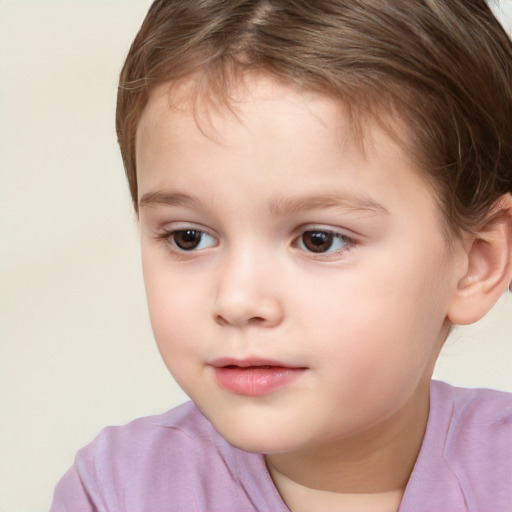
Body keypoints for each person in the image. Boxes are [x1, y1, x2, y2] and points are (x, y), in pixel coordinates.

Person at [50, 1, 512, 511]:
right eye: (189, 237)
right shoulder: (119, 491)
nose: (237, 299)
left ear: (476, 262)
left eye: (319, 240)